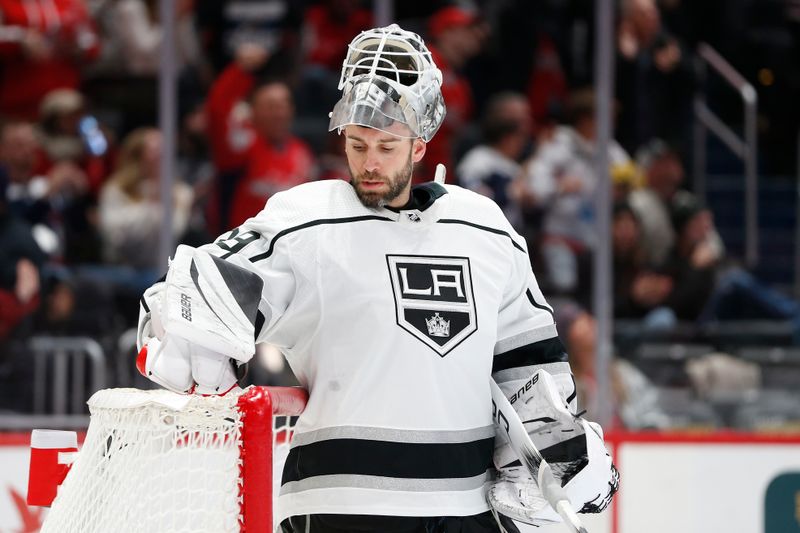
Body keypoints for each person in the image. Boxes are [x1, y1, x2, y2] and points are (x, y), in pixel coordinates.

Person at [135, 24, 617, 533]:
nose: (368, 162)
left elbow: (529, 365)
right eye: (357, 142)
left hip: (466, 510)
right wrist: (182, 320)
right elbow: (197, 289)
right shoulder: (305, 221)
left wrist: (555, 450)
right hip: (340, 505)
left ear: (421, 144)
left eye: (387, 145)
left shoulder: (486, 229)